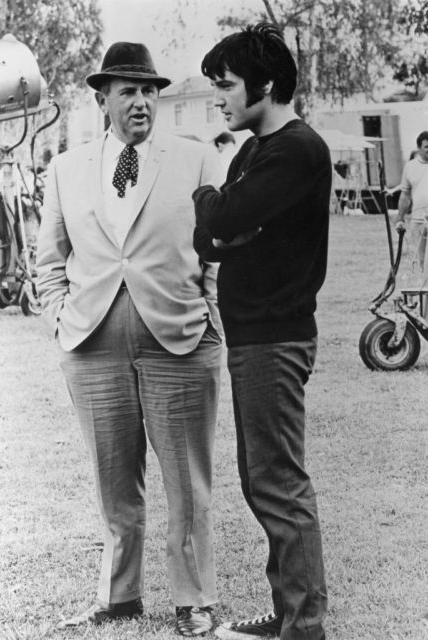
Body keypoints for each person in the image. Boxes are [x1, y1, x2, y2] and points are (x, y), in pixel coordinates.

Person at [36, 41, 224, 637]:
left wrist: (209, 314)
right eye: (128, 91)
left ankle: (193, 600)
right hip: (91, 344)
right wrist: (61, 322)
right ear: (102, 100)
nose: (142, 101)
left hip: (180, 340)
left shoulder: (196, 161)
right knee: (113, 479)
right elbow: (48, 262)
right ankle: (119, 597)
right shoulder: (66, 168)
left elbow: (219, 252)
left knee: (187, 483)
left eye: (150, 91)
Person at [192, 22, 330, 640]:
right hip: (251, 335)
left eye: (226, 85)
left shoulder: (296, 150)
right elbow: (211, 236)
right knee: (261, 479)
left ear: (266, 84)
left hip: (275, 337)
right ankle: (286, 615)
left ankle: (304, 627)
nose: (219, 98)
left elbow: (223, 216)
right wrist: (221, 219)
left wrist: (214, 207)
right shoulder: (252, 151)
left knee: (278, 480)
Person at [395, 133, 428, 280]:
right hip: (418, 222)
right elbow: (405, 195)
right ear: (419, 148)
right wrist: (400, 218)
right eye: (427, 147)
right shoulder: (410, 167)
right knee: (421, 262)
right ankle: (425, 300)